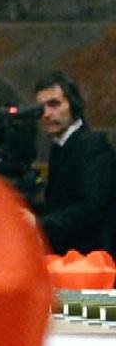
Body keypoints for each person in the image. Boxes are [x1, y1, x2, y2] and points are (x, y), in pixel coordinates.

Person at [32, 71, 116, 253]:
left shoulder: (92, 145)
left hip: (92, 258)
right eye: (41, 108)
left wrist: (39, 224)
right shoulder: (61, 146)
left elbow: (91, 208)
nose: (46, 114)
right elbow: (59, 205)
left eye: (54, 104)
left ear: (73, 104)